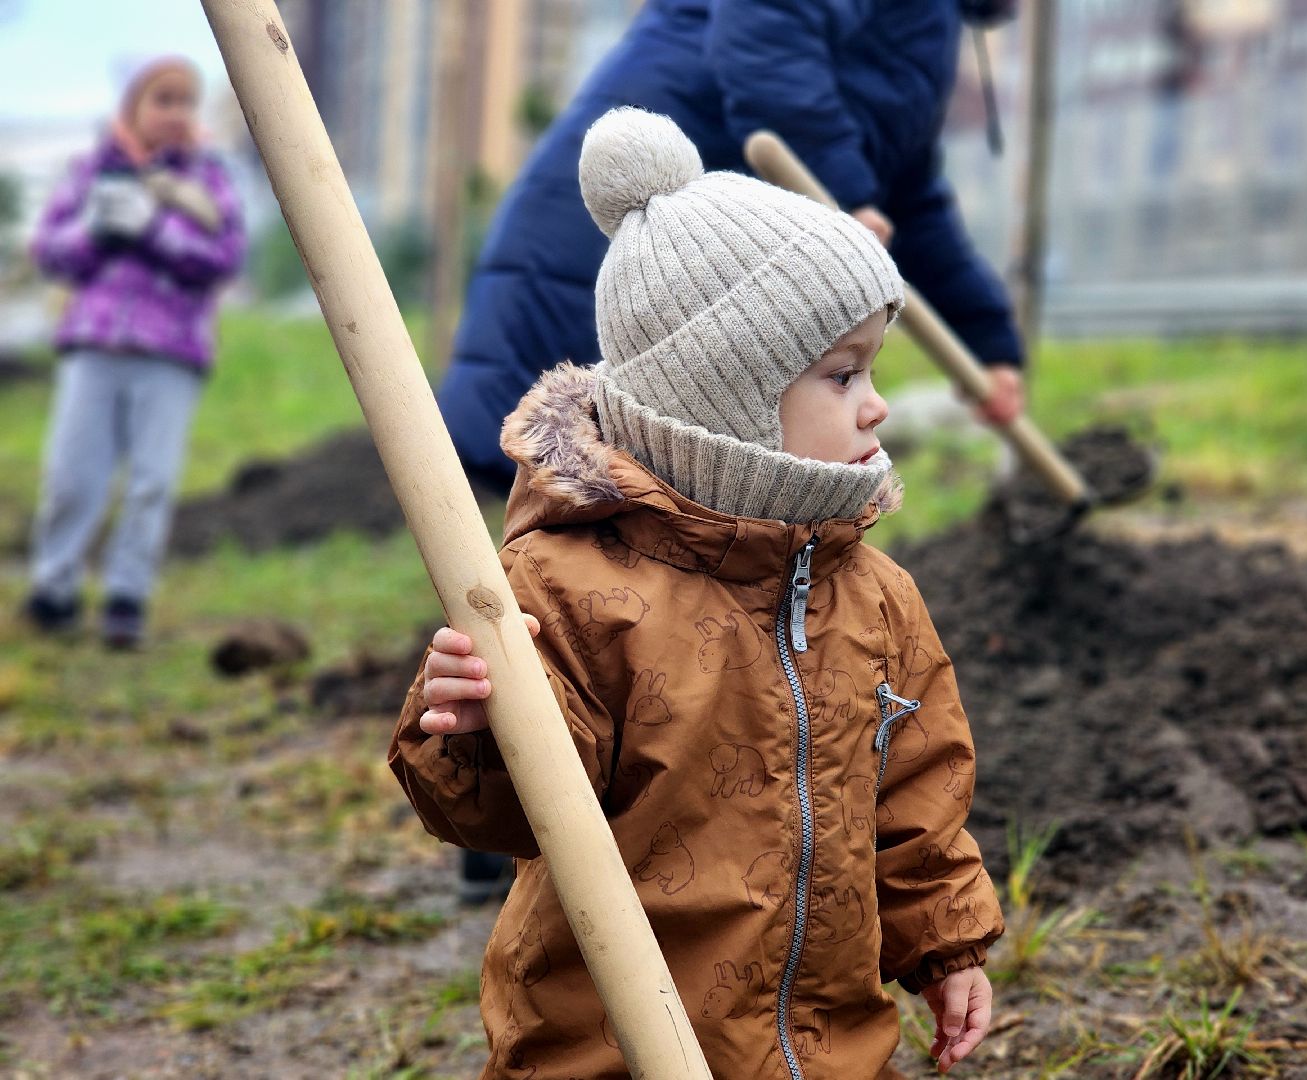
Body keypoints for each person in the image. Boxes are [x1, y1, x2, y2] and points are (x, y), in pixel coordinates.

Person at [390, 109, 1003, 1078]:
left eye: (873, 369)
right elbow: (508, 817)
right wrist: (473, 732)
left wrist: (947, 944)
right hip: (613, 1050)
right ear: (728, 399)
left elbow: (915, 795)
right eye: (843, 374)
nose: (877, 403)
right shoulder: (569, 589)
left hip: (829, 1049)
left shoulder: (876, 596)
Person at [438, 0, 1025, 500]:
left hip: (714, 257)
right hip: (648, 232)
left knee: (631, 505)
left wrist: (989, 339)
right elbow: (766, 35)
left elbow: (907, 193)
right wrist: (844, 192)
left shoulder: (933, 19)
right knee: (572, 480)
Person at [24, 56, 246, 647]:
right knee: (73, 476)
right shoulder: (93, 171)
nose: (175, 113)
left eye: (185, 102)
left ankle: (127, 597)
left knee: (151, 481)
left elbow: (224, 257)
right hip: (93, 344)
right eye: (162, 100)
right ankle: (54, 589)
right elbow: (50, 249)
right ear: (134, 105)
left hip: (171, 352)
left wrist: (154, 228)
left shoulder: (207, 178)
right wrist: (95, 229)